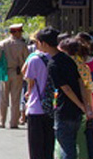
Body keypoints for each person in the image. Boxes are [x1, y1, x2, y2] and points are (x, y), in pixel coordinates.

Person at [39, 27, 93, 159]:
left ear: (45, 44)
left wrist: (81, 105)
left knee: (66, 148)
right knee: (74, 146)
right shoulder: (68, 59)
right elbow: (80, 82)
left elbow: (66, 89)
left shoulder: (53, 64)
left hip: (64, 111)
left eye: (39, 43)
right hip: (77, 113)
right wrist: (84, 106)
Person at [0, 23, 30, 128]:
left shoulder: (2, 44)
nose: (21, 34)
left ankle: (1, 122)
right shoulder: (22, 45)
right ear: (17, 32)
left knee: (3, 98)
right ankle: (13, 123)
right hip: (17, 73)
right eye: (20, 32)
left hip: (4, 73)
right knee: (15, 99)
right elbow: (28, 60)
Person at [24, 30, 54, 159]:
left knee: (36, 149)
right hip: (52, 108)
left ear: (42, 43)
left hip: (36, 108)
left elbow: (31, 82)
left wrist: (29, 93)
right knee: (49, 148)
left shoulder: (35, 59)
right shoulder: (58, 59)